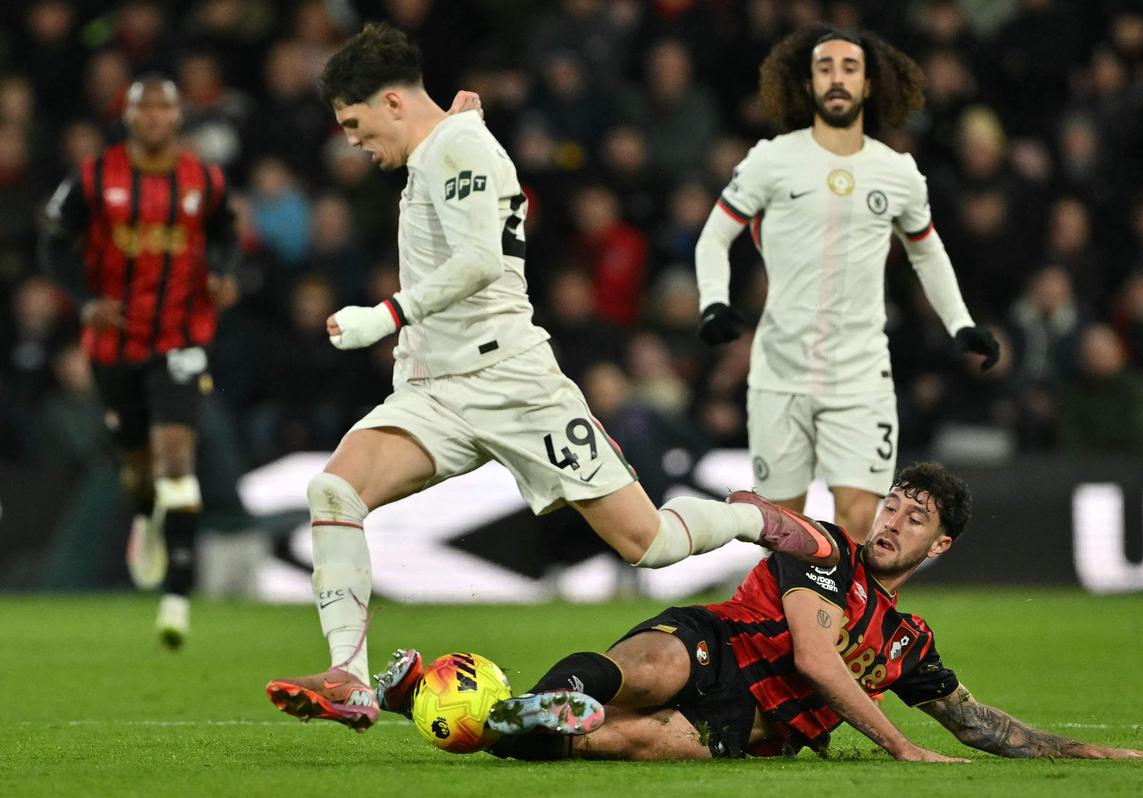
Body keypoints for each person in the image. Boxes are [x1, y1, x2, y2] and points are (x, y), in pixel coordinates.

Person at [264, 23, 840, 733]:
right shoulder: (446, 144)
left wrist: (385, 314)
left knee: (649, 542)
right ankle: (349, 677)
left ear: (390, 101)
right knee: (335, 490)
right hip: (435, 390)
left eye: (354, 123)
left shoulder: (459, 147)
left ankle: (760, 518)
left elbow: (479, 260)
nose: (350, 140)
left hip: (514, 382)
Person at [374, 462, 1143, 763]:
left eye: (914, 519)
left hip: (747, 726)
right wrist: (898, 746)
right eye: (891, 506)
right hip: (715, 648)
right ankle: (527, 708)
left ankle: (488, 717)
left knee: (636, 737)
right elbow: (819, 661)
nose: (891, 522)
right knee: (646, 676)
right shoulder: (826, 552)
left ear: (941, 545)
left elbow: (975, 724)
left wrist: (1088, 755)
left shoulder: (908, 644)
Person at [693, 26, 1000, 544]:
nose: (837, 78)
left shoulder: (897, 172)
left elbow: (928, 250)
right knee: (780, 530)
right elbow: (714, 236)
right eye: (825, 68)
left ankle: (844, 628)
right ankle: (788, 626)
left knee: (858, 521)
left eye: (850, 68)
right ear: (808, 84)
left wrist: (961, 322)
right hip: (780, 372)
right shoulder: (771, 159)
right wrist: (713, 304)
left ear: (870, 85)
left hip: (860, 376)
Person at [40, 75, 238, 647]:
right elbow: (53, 243)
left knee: (177, 458)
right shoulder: (94, 177)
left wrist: (223, 274)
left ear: (178, 118)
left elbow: (225, 230)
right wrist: (85, 300)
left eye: (164, 108)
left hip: (178, 337)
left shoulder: (205, 179)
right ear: (128, 117)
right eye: (143, 108)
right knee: (136, 468)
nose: (154, 118)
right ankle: (146, 516)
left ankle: (176, 598)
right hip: (115, 346)